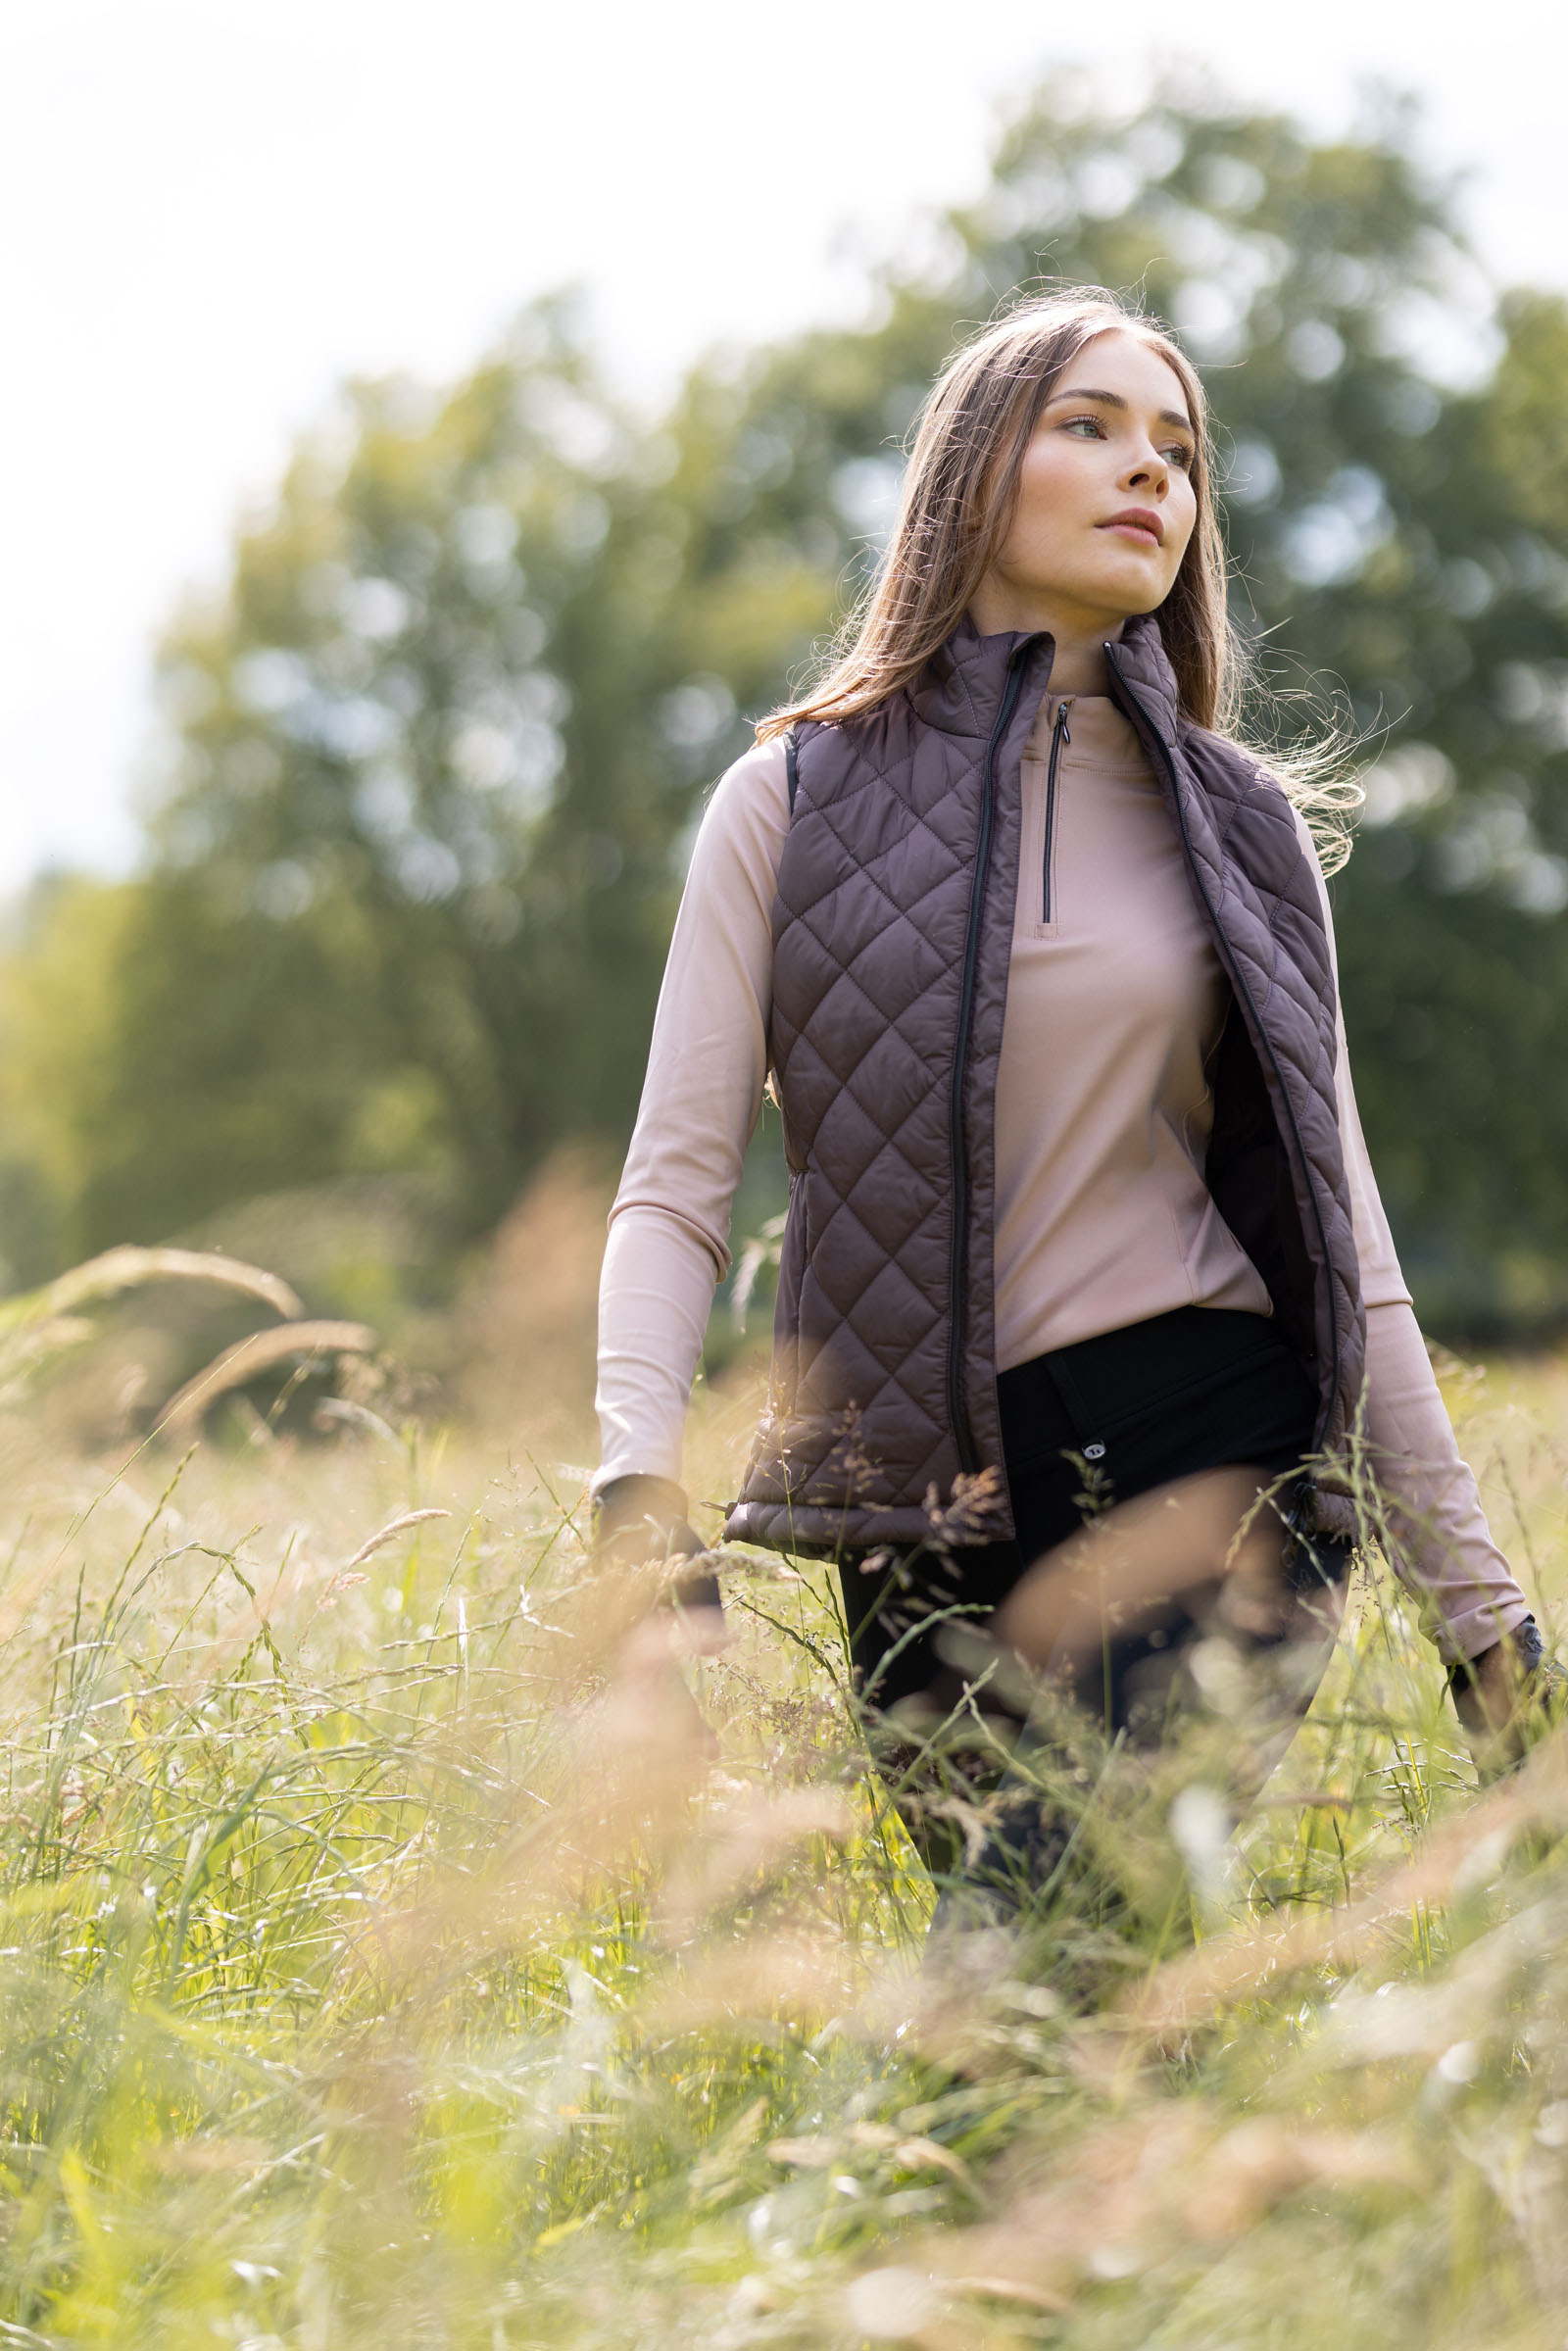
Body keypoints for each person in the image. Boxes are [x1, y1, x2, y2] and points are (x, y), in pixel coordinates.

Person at [592, 286, 1557, 1914]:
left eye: (1178, 451)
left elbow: (1348, 1237)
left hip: (1216, 1447)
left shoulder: (1245, 827)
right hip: (928, 1500)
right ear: (975, 473)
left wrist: (1483, 1615)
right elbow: (677, 1182)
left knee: (1041, 1931)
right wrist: (636, 1486)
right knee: (1049, 2016)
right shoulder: (791, 802)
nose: (1151, 476)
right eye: (1092, 427)